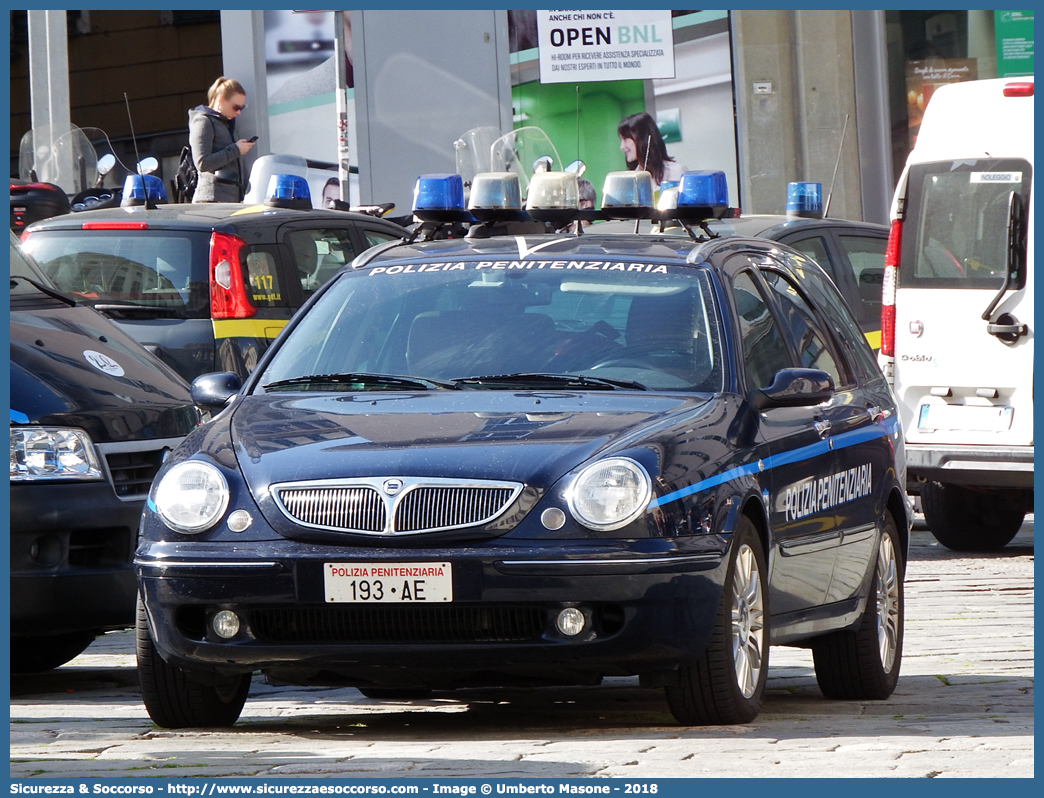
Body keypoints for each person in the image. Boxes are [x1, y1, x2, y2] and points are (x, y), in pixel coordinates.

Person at [188, 77, 256, 202]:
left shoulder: (226, 123)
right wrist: (235, 150)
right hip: (211, 201)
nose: (239, 112)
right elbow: (202, 163)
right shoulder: (203, 121)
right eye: (236, 107)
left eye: (242, 107)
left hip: (230, 201)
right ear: (221, 100)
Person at [617, 112, 687, 191]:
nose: (622, 147)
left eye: (626, 139)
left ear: (643, 138)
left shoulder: (676, 172)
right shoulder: (630, 179)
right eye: (621, 140)